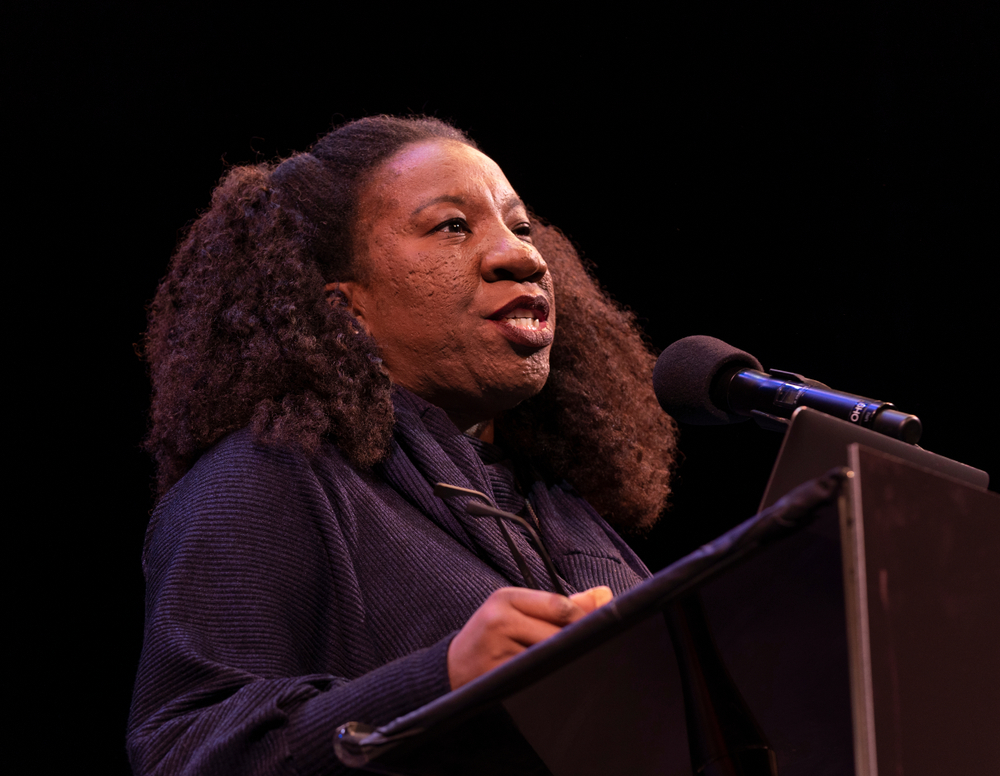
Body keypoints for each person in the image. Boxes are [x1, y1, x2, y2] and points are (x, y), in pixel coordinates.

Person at [129, 115, 678, 774]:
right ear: (344, 307)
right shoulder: (266, 478)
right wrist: (439, 681)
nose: (524, 256)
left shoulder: (561, 507)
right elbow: (183, 749)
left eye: (521, 227)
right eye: (451, 225)